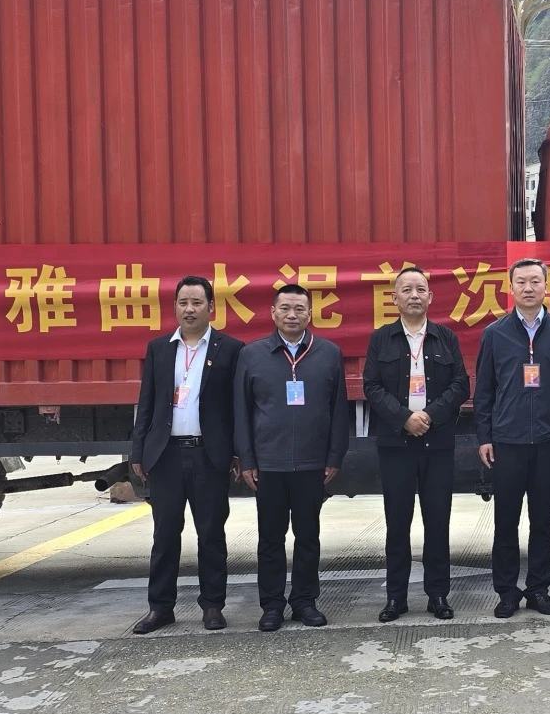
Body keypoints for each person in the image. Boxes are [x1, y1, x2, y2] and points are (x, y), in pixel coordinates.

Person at [129, 276, 245, 635]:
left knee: (211, 534)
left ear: (211, 307)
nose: (189, 309)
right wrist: (138, 452)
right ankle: (160, 608)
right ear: (175, 307)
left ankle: (212, 605)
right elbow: (147, 402)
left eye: (197, 302)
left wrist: (238, 452)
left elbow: (238, 407)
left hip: (209, 455)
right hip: (165, 455)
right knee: (165, 535)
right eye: (183, 302)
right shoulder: (159, 348)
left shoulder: (231, 349)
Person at [234, 283, 349, 632]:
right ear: (272, 313)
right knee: (270, 539)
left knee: (308, 537)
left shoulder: (328, 353)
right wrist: (247, 459)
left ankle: (304, 602)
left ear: (310, 314)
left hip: (312, 463)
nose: (292, 315)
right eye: (285, 308)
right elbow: (241, 412)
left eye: (299, 309)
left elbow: (338, 409)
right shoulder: (252, 355)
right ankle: (271, 605)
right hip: (268, 463)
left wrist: (334, 455)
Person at [475, 258, 550, 619]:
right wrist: (485, 436)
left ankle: (539, 589)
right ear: (510, 288)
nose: (528, 287)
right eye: (521, 281)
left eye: (535, 281)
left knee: (543, 522)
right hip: (507, 442)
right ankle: (507, 592)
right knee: (506, 522)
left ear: (546, 287)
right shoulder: (495, 334)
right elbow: (484, 390)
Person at [362, 267, 470, 623]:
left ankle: (438, 595)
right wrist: (404, 418)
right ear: (394, 298)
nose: (414, 295)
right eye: (406, 290)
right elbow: (371, 386)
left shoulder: (445, 337)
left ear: (430, 297)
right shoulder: (381, 338)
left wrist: (430, 416)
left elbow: (461, 384)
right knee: (397, 523)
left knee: (437, 522)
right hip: (396, 445)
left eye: (420, 289)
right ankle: (396, 598)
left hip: (437, 444)